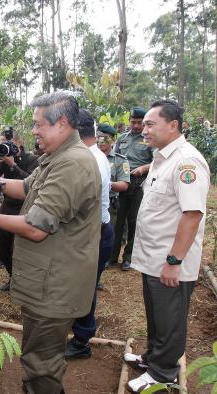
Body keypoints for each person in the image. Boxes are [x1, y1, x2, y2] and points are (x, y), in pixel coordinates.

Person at [0, 92, 101, 393]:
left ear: (62, 123)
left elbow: (37, 227)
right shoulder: (57, 157)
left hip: (55, 285)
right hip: (46, 279)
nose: (34, 131)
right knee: (38, 355)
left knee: (41, 365)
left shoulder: (73, 164)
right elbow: (25, 187)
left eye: (39, 125)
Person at [125, 100, 210, 392]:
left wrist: (174, 261)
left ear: (172, 126)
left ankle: (163, 373)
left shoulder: (188, 161)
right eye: (144, 124)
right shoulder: (164, 158)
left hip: (170, 261)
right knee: (156, 313)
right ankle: (153, 357)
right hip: (154, 257)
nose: (143, 129)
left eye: (150, 124)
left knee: (170, 317)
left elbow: (192, 214)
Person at [65, 110, 114, 359]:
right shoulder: (94, 155)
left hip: (94, 233)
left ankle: (82, 340)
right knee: (82, 284)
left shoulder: (89, 159)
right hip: (96, 230)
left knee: (85, 287)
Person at [0, 127, 39, 291]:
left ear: (19, 142)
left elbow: (31, 184)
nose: (6, 146)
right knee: (1, 246)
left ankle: (23, 282)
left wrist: (13, 165)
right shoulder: (2, 158)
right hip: (8, 206)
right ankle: (13, 277)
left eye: (9, 143)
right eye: (2, 143)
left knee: (20, 249)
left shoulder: (32, 159)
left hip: (26, 208)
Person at [110, 107, 153, 271]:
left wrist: (143, 168)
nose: (135, 126)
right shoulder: (122, 138)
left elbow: (156, 161)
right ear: (129, 121)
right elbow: (114, 158)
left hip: (138, 183)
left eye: (139, 123)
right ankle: (112, 257)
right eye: (133, 122)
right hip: (121, 184)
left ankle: (128, 257)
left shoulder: (149, 139)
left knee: (134, 221)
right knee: (117, 221)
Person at [96, 123, 130, 266]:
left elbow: (124, 184)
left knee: (108, 236)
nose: (101, 142)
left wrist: (106, 184)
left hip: (110, 203)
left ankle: (106, 262)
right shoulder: (89, 157)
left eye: (105, 138)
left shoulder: (119, 160)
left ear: (113, 140)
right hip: (91, 203)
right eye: (98, 138)